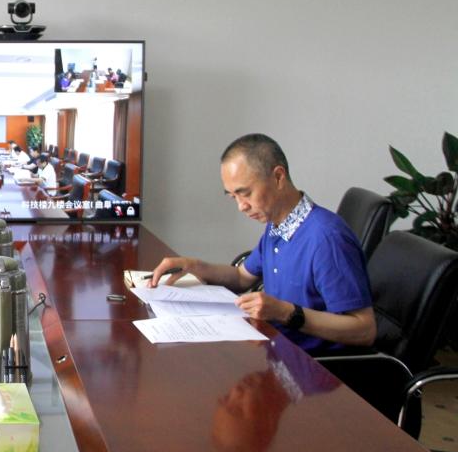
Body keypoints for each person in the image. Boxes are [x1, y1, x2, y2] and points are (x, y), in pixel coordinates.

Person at [148, 133, 375, 353]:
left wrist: (286, 312)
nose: (241, 206)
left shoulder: (327, 238)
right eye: (233, 197)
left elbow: (364, 330)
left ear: (278, 177)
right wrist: (193, 266)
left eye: (245, 193)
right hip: (276, 350)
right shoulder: (278, 224)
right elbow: (241, 277)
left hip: (312, 366)